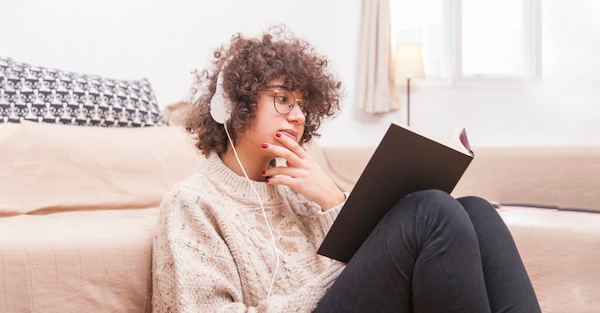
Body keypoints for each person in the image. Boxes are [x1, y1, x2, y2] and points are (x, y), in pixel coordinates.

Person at [151, 25, 541, 312]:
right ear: (232, 105)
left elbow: (366, 275)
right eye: (283, 99)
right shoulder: (191, 203)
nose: (299, 116)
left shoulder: (299, 187)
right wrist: (323, 287)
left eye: (303, 105)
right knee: (431, 212)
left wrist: (333, 201)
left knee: (476, 210)